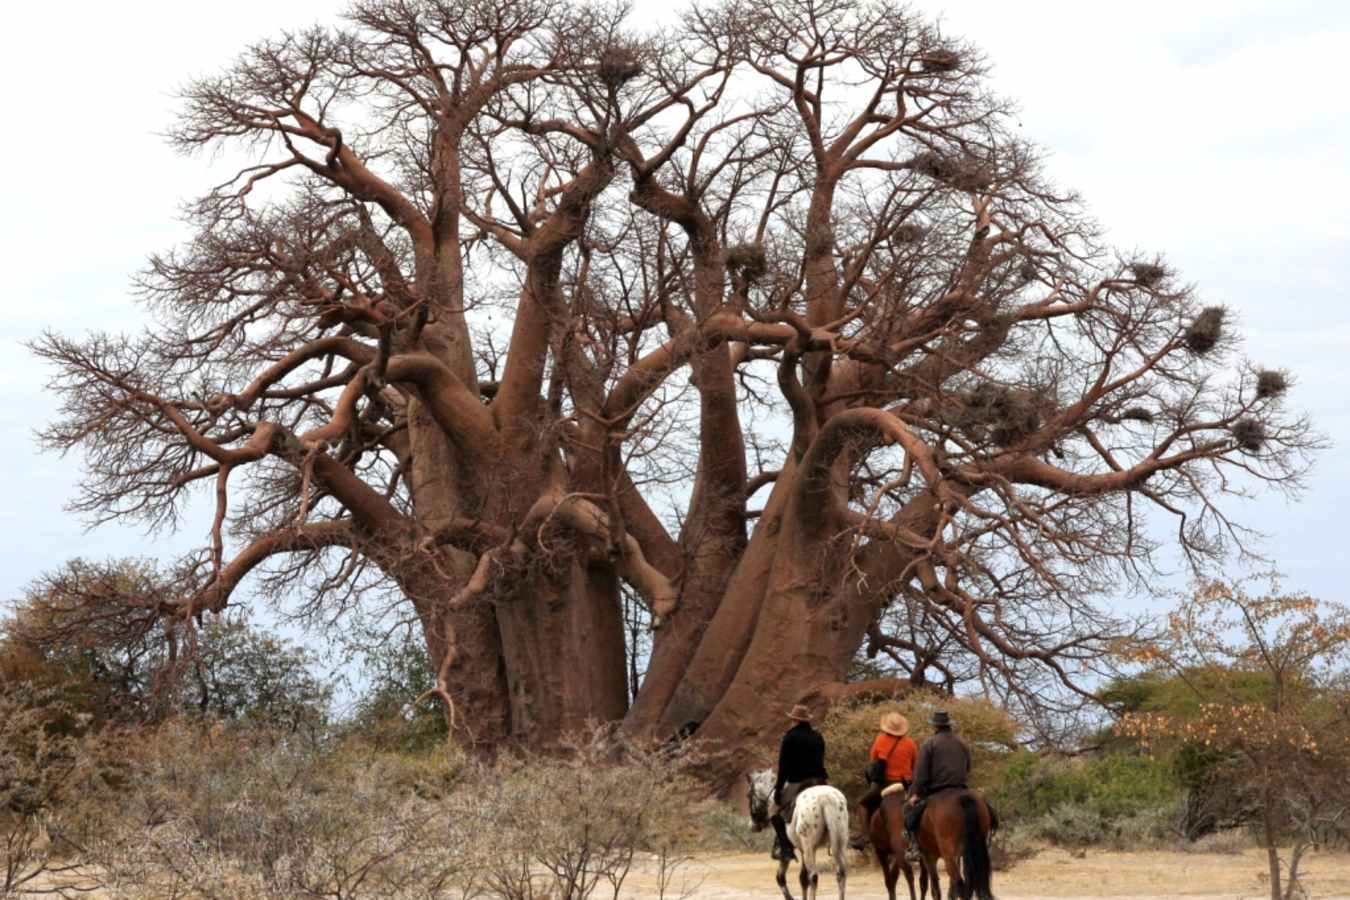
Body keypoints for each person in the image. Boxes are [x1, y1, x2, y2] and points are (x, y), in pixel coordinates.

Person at [904, 710, 972, 861]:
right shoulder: (962, 742)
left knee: (908, 812)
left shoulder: (929, 743)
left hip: (937, 790)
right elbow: (968, 768)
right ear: (949, 725)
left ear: (935, 726)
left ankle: (914, 846)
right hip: (961, 787)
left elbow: (921, 774)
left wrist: (915, 793)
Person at [850, 711, 918, 850]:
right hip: (906, 785)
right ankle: (916, 839)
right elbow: (915, 765)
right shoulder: (910, 743)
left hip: (885, 784)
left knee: (863, 804)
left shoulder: (881, 739)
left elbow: (873, 760)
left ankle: (865, 836)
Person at [770, 704, 830, 862]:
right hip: (820, 781)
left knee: (773, 811)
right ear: (807, 720)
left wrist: (778, 789)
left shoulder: (789, 737)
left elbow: (783, 767)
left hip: (798, 782)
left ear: (795, 720)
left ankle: (785, 848)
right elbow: (821, 760)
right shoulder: (817, 736)